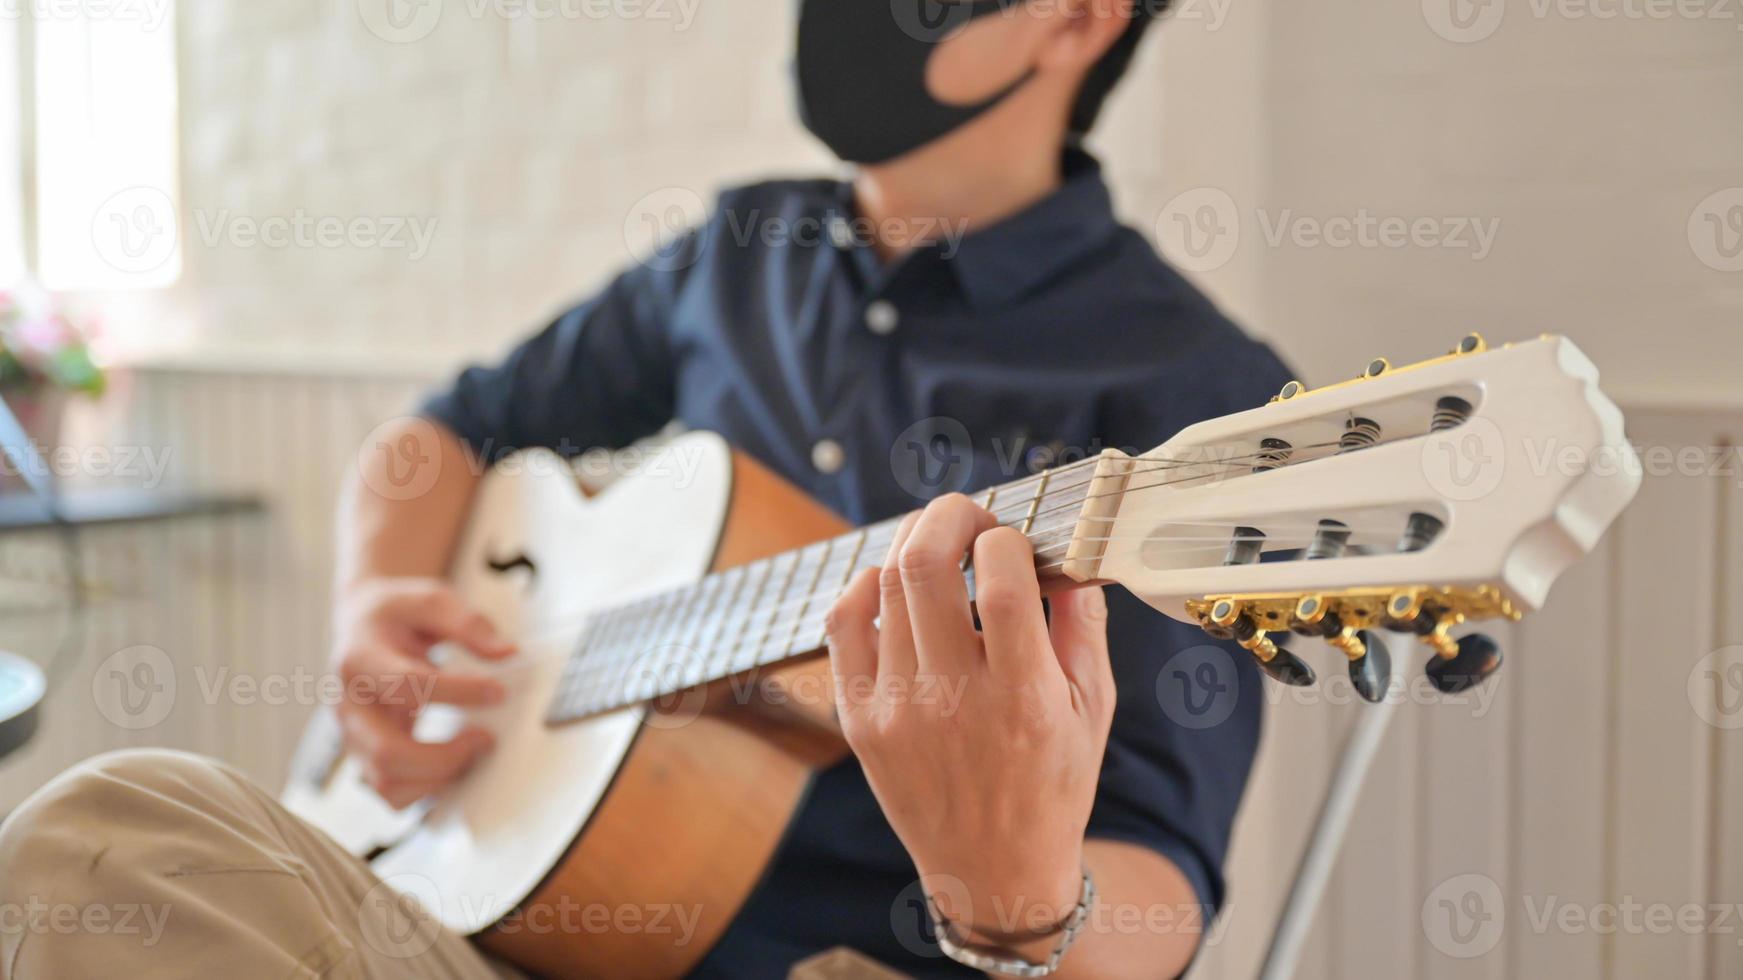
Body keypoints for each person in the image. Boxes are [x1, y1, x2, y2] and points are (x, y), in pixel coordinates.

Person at [0, 0, 1291, 976]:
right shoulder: (738, 254)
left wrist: (1013, 901)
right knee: (105, 835)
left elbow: (1163, 895)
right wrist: (379, 604)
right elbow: (443, 434)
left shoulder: (1190, 391)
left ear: (1078, 18)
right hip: (490, 924)